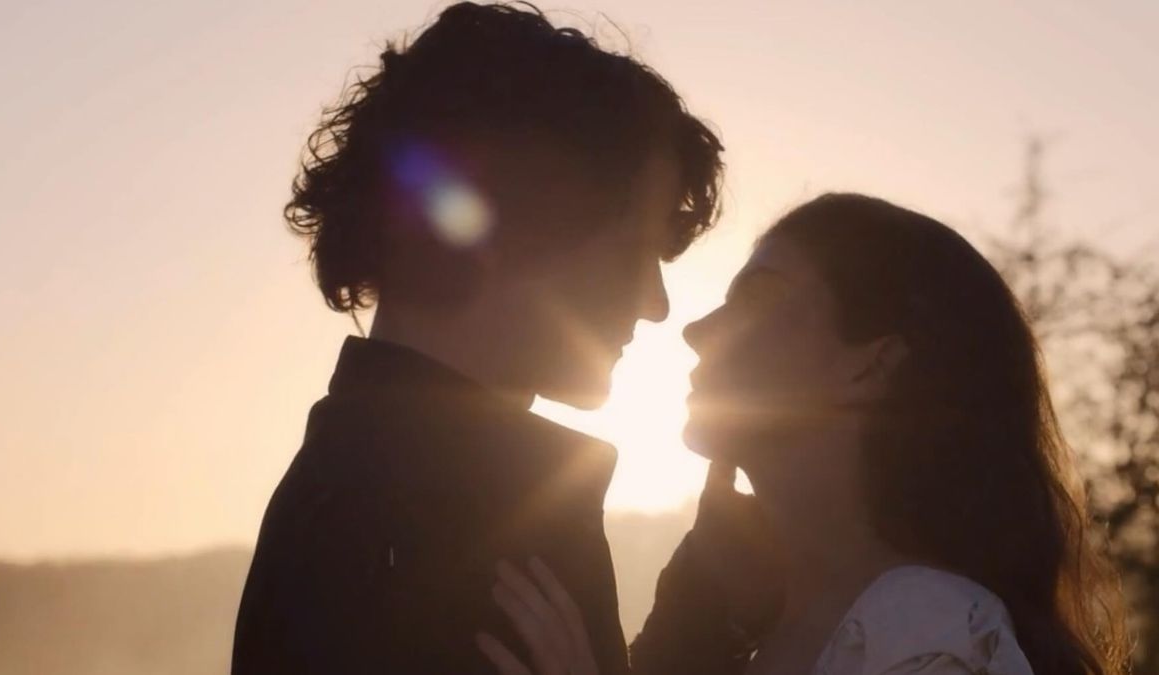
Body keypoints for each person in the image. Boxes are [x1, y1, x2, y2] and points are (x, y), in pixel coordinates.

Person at [230, 2, 733, 673]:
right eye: (633, 251)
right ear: (516, 231)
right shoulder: (427, 527)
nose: (656, 304)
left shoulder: (389, 492)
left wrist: (702, 610)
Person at [479, 193, 1131, 675]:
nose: (697, 330)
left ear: (870, 362)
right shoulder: (766, 634)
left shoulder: (928, 632)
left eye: (757, 297)